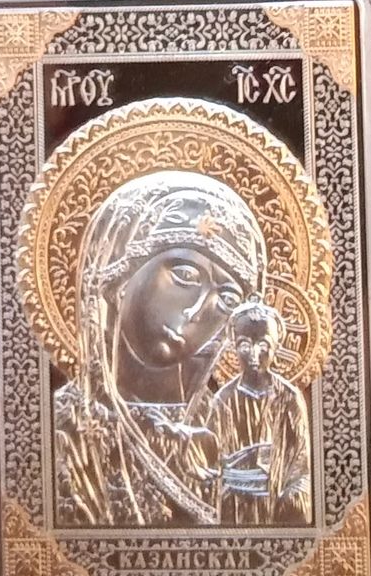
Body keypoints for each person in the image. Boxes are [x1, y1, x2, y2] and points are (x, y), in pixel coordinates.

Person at [52, 170, 267, 528]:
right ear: (121, 277)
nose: (196, 312)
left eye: (227, 299)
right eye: (185, 276)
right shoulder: (60, 429)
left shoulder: (229, 426)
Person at [207, 299, 312, 526]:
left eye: (263, 344)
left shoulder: (289, 398)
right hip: (232, 509)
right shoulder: (222, 400)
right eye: (244, 344)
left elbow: (302, 463)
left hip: (278, 508)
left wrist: (291, 499)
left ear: (276, 347)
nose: (254, 354)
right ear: (234, 347)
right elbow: (209, 460)